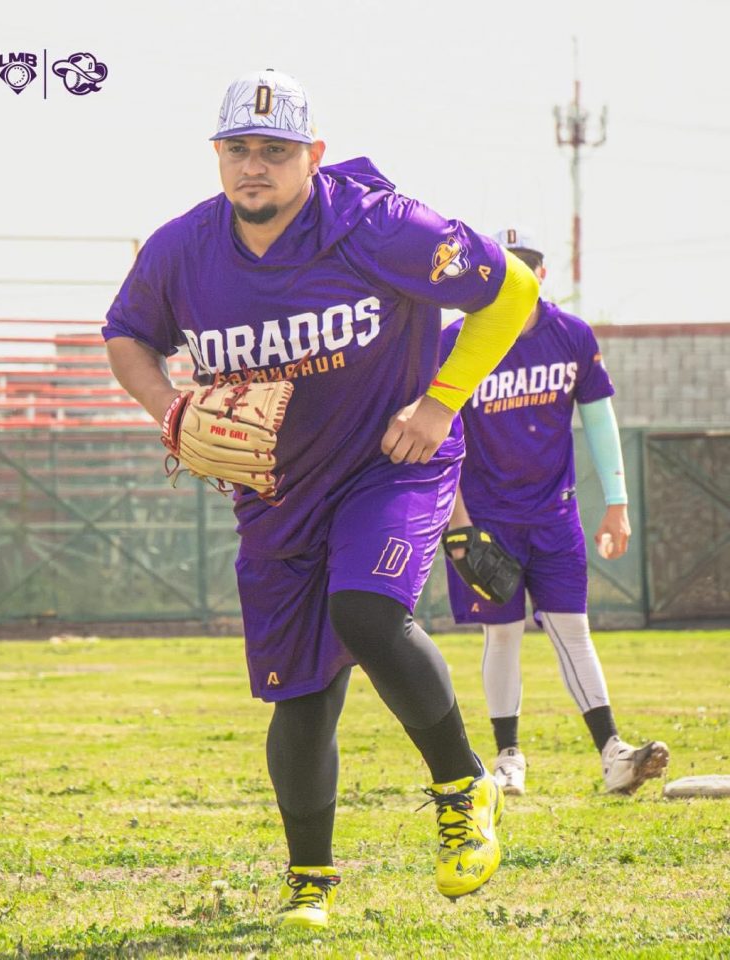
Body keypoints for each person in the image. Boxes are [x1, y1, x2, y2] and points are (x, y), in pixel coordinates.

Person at [103, 70, 539, 928]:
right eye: (238, 150)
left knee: (366, 612)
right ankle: (312, 880)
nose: (254, 167)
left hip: (390, 463)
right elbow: (125, 333)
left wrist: (440, 402)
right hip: (276, 492)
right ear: (218, 158)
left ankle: (463, 785)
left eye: (275, 150)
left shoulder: (377, 224)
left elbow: (513, 292)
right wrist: (173, 411)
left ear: (316, 156)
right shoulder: (181, 249)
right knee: (299, 692)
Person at [441, 227, 669, 798]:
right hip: (487, 517)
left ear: (541, 274)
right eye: (505, 265)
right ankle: (508, 758)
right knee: (502, 635)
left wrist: (616, 503)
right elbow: (440, 432)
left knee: (574, 630)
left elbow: (598, 418)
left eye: (527, 265)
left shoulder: (570, 335)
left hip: (553, 514)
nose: (516, 274)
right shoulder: (456, 341)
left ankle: (614, 754)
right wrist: (458, 520)